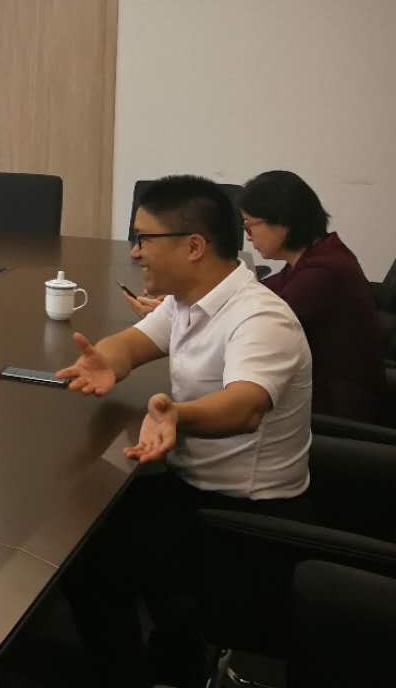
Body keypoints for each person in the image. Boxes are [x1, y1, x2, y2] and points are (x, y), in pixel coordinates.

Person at [55, 175, 312, 687]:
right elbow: (132, 343)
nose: (134, 252)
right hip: (196, 488)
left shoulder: (260, 317)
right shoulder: (187, 300)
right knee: (82, 519)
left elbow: (245, 406)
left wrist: (178, 414)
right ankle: (175, 653)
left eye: (144, 239)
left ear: (194, 246)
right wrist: (107, 359)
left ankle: (134, 674)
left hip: (245, 519)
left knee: (86, 559)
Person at [238, 170, 383, 422]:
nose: (248, 236)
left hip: (334, 412)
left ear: (282, 222)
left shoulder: (324, 272)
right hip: (317, 393)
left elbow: (259, 321)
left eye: (249, 225)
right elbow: (262, 291)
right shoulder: (319, 254)